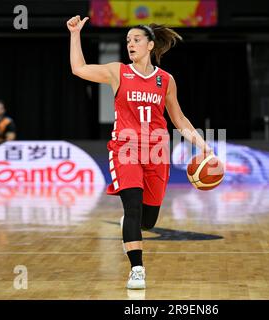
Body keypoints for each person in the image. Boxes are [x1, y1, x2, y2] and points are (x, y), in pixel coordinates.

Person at [67, 16, 212, 289]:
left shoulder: (165, 80)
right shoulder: (117, 71)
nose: (130, 45)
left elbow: (178, 120)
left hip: (157, 152)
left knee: (148, 220)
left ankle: (132, 226)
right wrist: (75, 34)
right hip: (126, 149)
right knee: (132, 207)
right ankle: (137, 269)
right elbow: (79, 68)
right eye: (127, 41)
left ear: (150, 45)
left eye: (136, 40)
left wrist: (204, 146)